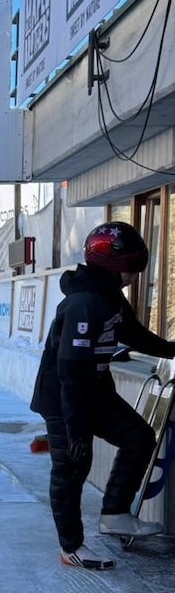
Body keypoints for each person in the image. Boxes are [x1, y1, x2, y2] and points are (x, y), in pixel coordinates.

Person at [30, 221, 175, 570]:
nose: (133, 277)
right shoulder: (83, 304)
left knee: (138, 437)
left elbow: (134, 334)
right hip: (66, 398)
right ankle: (71, 547)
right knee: (72, 468)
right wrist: (75, 429)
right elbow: (70, 371)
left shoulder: (110, 297)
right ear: (112, 265)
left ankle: (115, 513)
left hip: (94, 390)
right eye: (130, 269)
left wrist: (172, 349)